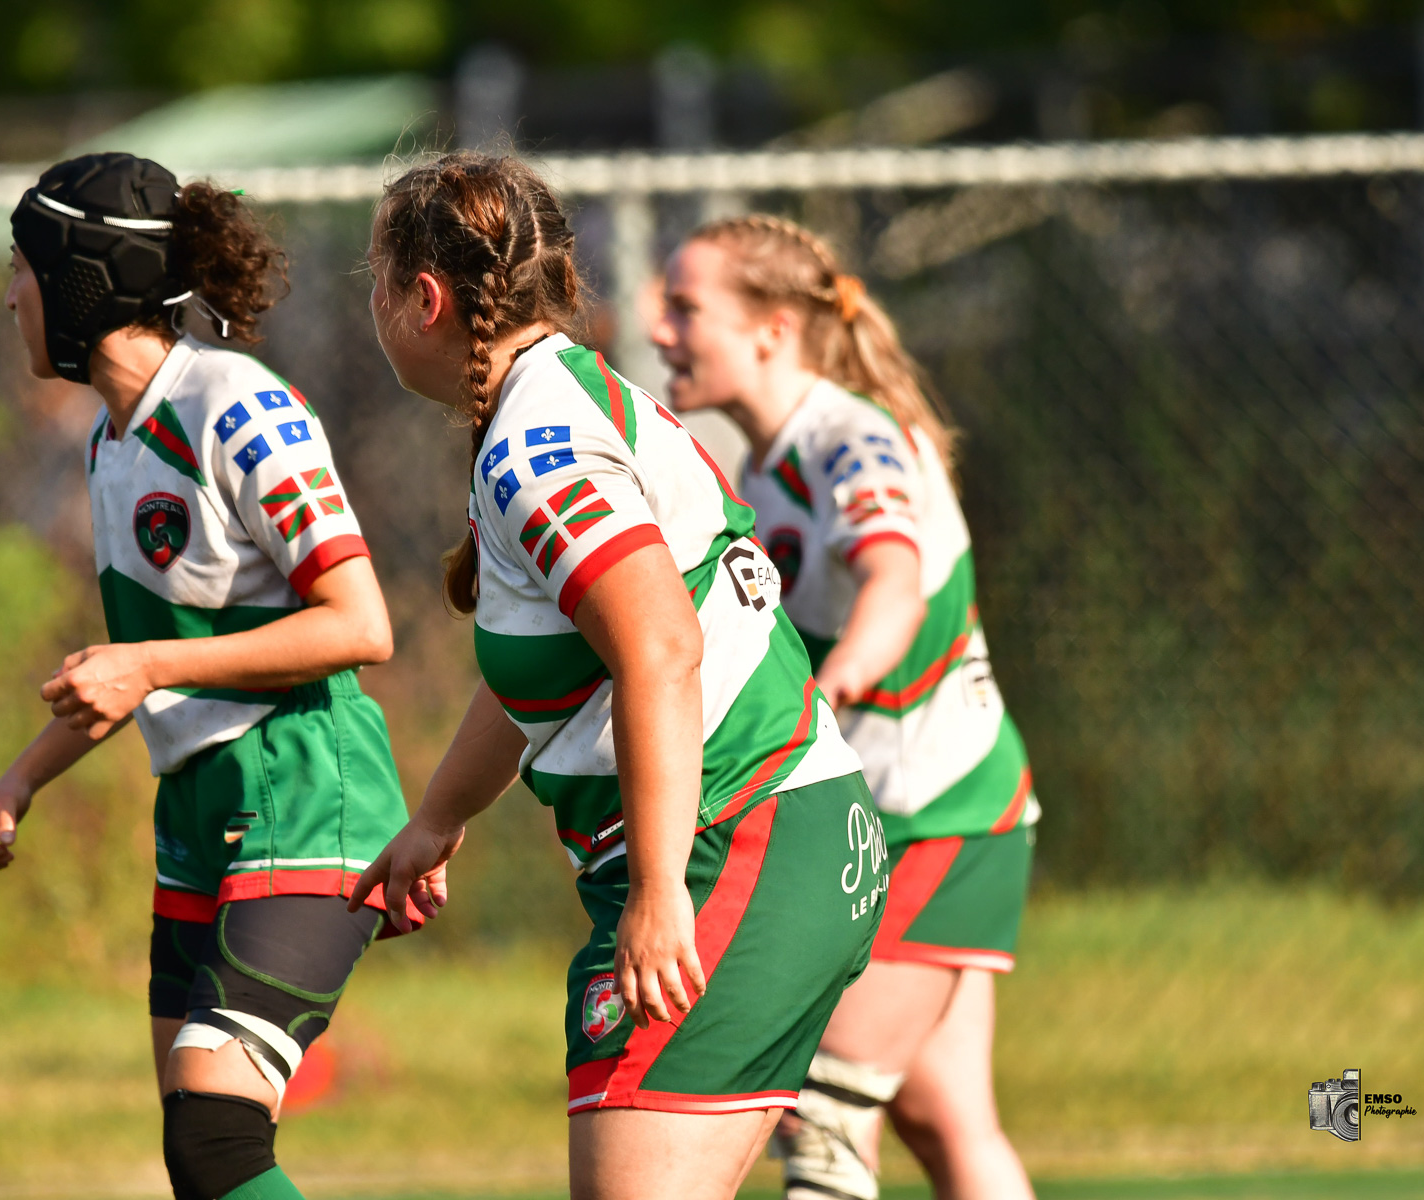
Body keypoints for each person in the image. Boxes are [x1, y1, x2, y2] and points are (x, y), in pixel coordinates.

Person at [349, 153, 886, 1200]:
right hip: (777, 836)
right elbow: (543, 679)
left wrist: (656, 892)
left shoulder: (537, 447)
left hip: (740, 845)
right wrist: (436, 823)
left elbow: (661, 650)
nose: (369, 307)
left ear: (428, 299)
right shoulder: (562, 401)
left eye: (373, 280)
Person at [0, 153, 416, 1200]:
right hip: (200, 808)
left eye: (22, 268)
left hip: (303, 783)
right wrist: (19, 782)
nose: (8, 294)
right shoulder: (110, 444)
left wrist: (148, 663)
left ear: (82, 280)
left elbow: (361, 623)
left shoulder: (234, 402)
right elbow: (141, 672)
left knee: (215, 1136)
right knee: (196, 1153)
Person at [651, 214, 1037, 1200]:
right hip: (913, 815)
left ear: (772, 329)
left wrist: (827, 692)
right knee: (946, 1121)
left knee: (822, 1109)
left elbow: (894, 582)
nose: (658, 330)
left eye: (687, 308)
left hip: (936, 811)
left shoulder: (849, 436)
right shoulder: (769, 466)